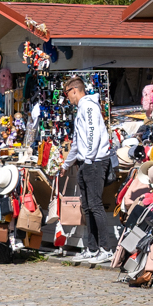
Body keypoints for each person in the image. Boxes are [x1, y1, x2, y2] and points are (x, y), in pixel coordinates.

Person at [61, 77, 115, 267]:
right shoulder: (81, 110)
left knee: (95, 204)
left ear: (74, 90)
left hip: (95, 162)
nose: (67, 98)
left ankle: (106, 249)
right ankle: (92, 248)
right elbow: (77, 141)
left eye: (67, 94)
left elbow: (94, 133)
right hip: (85, 162)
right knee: (88, 206)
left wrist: (90, 157)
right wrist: (66, 164)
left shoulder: (89, 107)